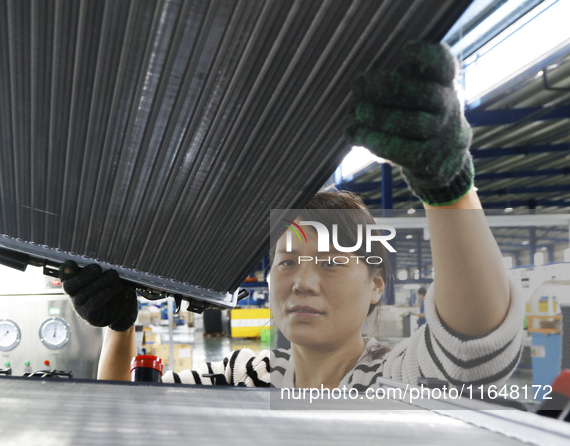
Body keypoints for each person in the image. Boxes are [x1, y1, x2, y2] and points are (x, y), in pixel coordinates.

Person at [60, 41, 524, 391]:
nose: (302, 282)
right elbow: (122, 417)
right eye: (287, 262)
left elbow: (474, 346)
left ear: (376, 284)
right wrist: (120, 328)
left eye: (331, 262)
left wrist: (449, 190)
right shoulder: (242, 376)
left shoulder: (396, 376)